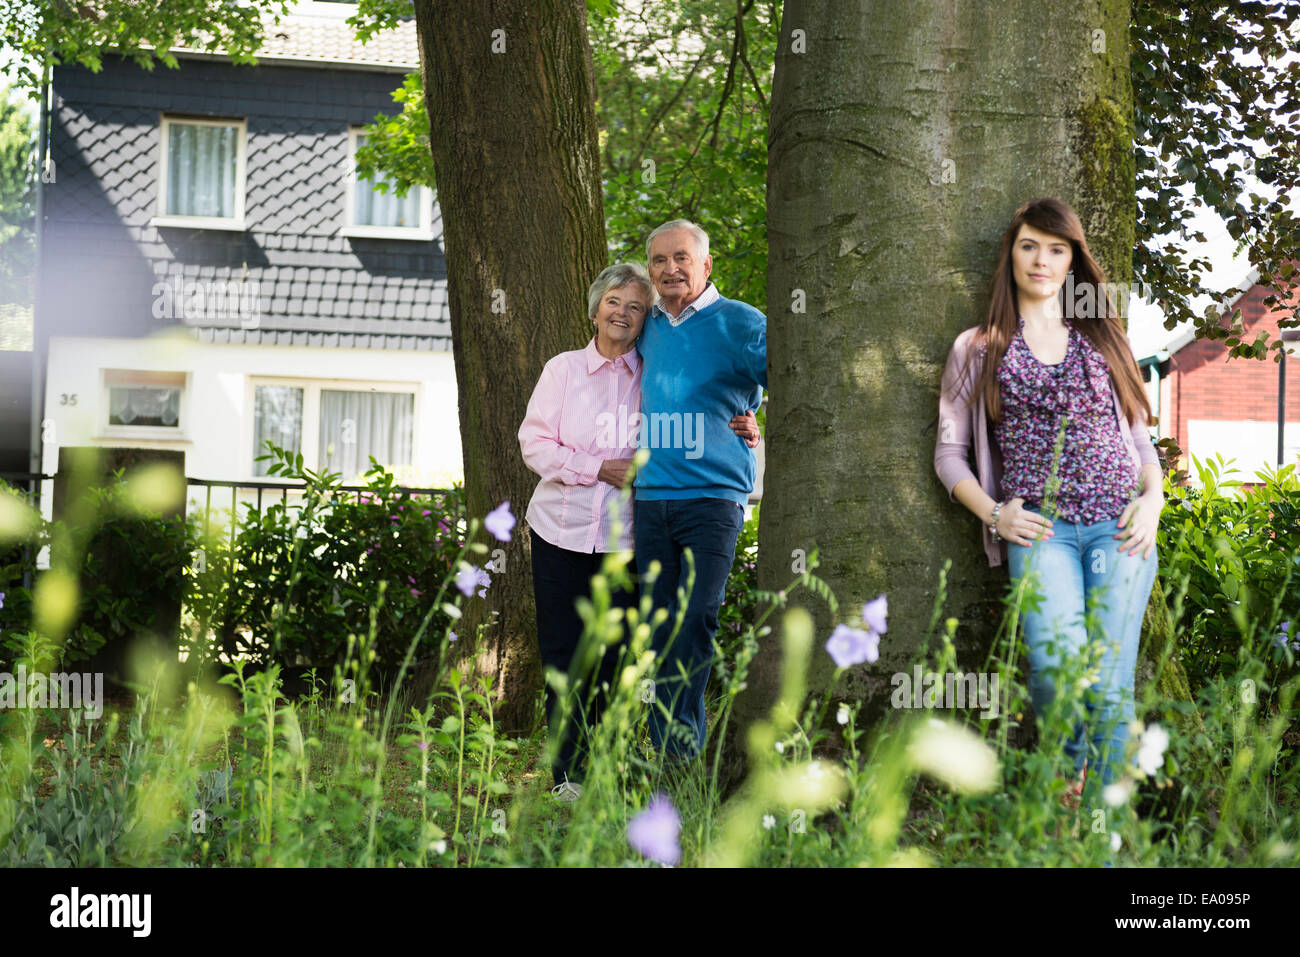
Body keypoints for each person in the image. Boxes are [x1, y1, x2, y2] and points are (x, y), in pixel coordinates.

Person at [933, 197, 1162, 800]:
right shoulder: (977, 347)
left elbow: (1140, 437)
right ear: (1011, 254)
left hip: (1121, 527)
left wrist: (1154, 501)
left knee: (1110, 686)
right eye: (1029, 245)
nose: (1042, 259)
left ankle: (1106, 831)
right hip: (1043, 533)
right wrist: (993, 512)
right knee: (1059, 677)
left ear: (1072, 260)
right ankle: (1064, 814)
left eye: (1057, 249)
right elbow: (948, 454)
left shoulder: (1103, 332)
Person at [519, 261, 757, 799]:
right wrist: (597, 467)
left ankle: (609, 763)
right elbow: (535, 445)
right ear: (595, 308)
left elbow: (706, 404)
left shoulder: (656, 373)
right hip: (561, 533)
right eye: (613, 303)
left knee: (618, 657)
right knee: (566, 655)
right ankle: (567, 776)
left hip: (630, 538)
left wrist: (745, 418)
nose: (622, 314)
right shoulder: (562, 371)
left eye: (634, 307)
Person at [633, 219, 766, 763]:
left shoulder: (742, 322)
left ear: (706, 265)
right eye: (660, 261)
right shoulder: (646, 325)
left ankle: (681, 752)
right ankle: (664, 746)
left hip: (713, 498)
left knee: (695, 620)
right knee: (658, 621)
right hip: (649, 497)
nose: (671, 269)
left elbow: (795, 376)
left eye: (682, 258)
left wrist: (758, 417)